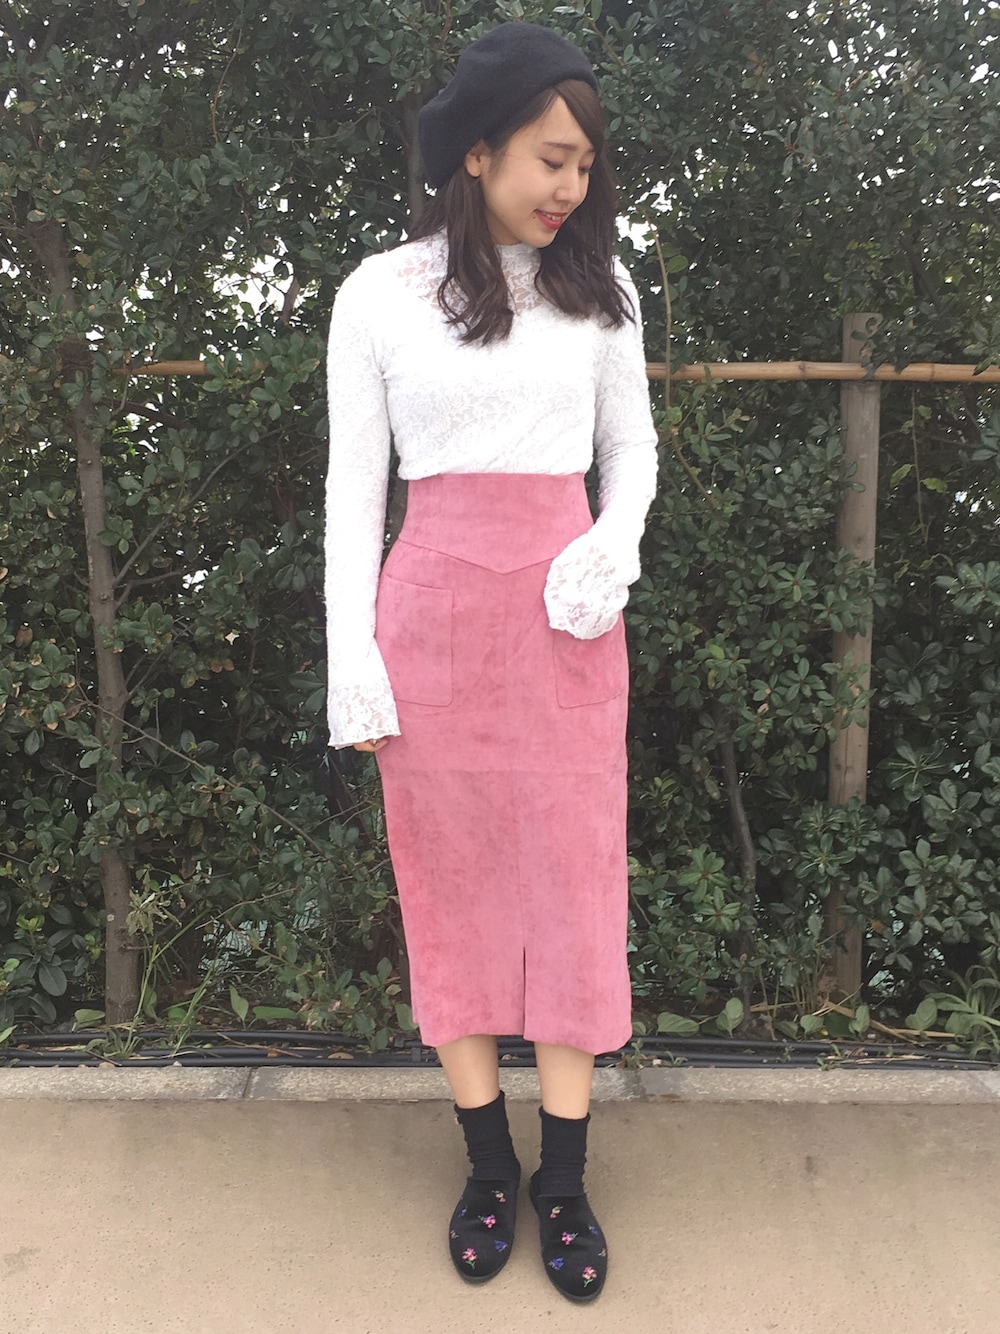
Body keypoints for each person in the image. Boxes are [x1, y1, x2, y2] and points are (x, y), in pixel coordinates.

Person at [323, 21, 657, 1303]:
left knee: (573, 889)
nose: (571, 185)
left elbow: (630, 450)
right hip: (432, 631)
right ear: (477, 151)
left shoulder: (600, 292)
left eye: (584, 165)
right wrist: (352, 658)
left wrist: (612, 540)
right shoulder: (377, 295)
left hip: (569, 623)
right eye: (550, 159)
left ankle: (562, 1178)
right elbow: (354, 495)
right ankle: (485, 1163)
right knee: (449, 889)